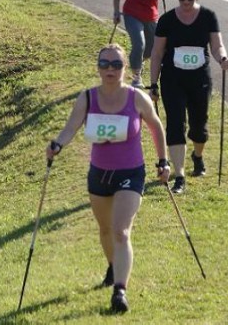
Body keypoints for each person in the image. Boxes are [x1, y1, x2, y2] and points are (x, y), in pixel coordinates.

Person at [46, 43, 170, 313]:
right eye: (104, 64)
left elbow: (156, 127)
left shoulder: (136, 98)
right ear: (98, 68)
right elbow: (70, 128)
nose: (110, 69)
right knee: (104, 231)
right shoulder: (88, 98)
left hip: (130, 173)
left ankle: (120, 291)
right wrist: (57, 144)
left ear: (125, 68)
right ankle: (113, 267)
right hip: (99, 174)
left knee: (120, 231)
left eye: (116, 64)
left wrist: (163, 161)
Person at [149, 0, 228, 194]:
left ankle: (198, 155)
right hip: (172, 79)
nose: (186, 2)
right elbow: (157, 53)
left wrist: (222, 58)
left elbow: (216, 46)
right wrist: (153, 84)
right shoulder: (166, 20)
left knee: (198, 125)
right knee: (175, 124)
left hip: (199, 79)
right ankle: (180, 174)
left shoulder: (207, 17)